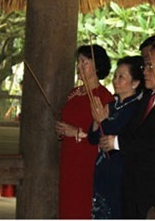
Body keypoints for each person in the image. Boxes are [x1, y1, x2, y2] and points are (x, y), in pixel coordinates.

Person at [99, 41, 155, 219]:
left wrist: (117, 142)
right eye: (145, 65)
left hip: (154, 184)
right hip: (133, 180)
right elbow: (132, 130)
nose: (145, 71)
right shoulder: (148, 97)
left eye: (150, 66)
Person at [54, 45, 114, 219]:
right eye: (78, 62)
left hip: (87, 161)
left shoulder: (104, 97)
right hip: (69, 158)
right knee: (66, 205)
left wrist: (78, 133)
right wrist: (62, 130)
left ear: (97, 66)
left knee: (81, 205)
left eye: (84, 62)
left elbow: (105, 135)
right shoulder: (74, 93)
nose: (79, 66)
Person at [88, 56, 145, 219]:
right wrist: (95, 120)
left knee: (115, 210)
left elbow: (121, 134)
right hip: (102, 166)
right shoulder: (111, 105)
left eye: (122, 77)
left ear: (135, 83)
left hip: (120, 168)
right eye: (115, 76)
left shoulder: (136, 108)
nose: (116, 81)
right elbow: (93, 138)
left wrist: (102, 120)